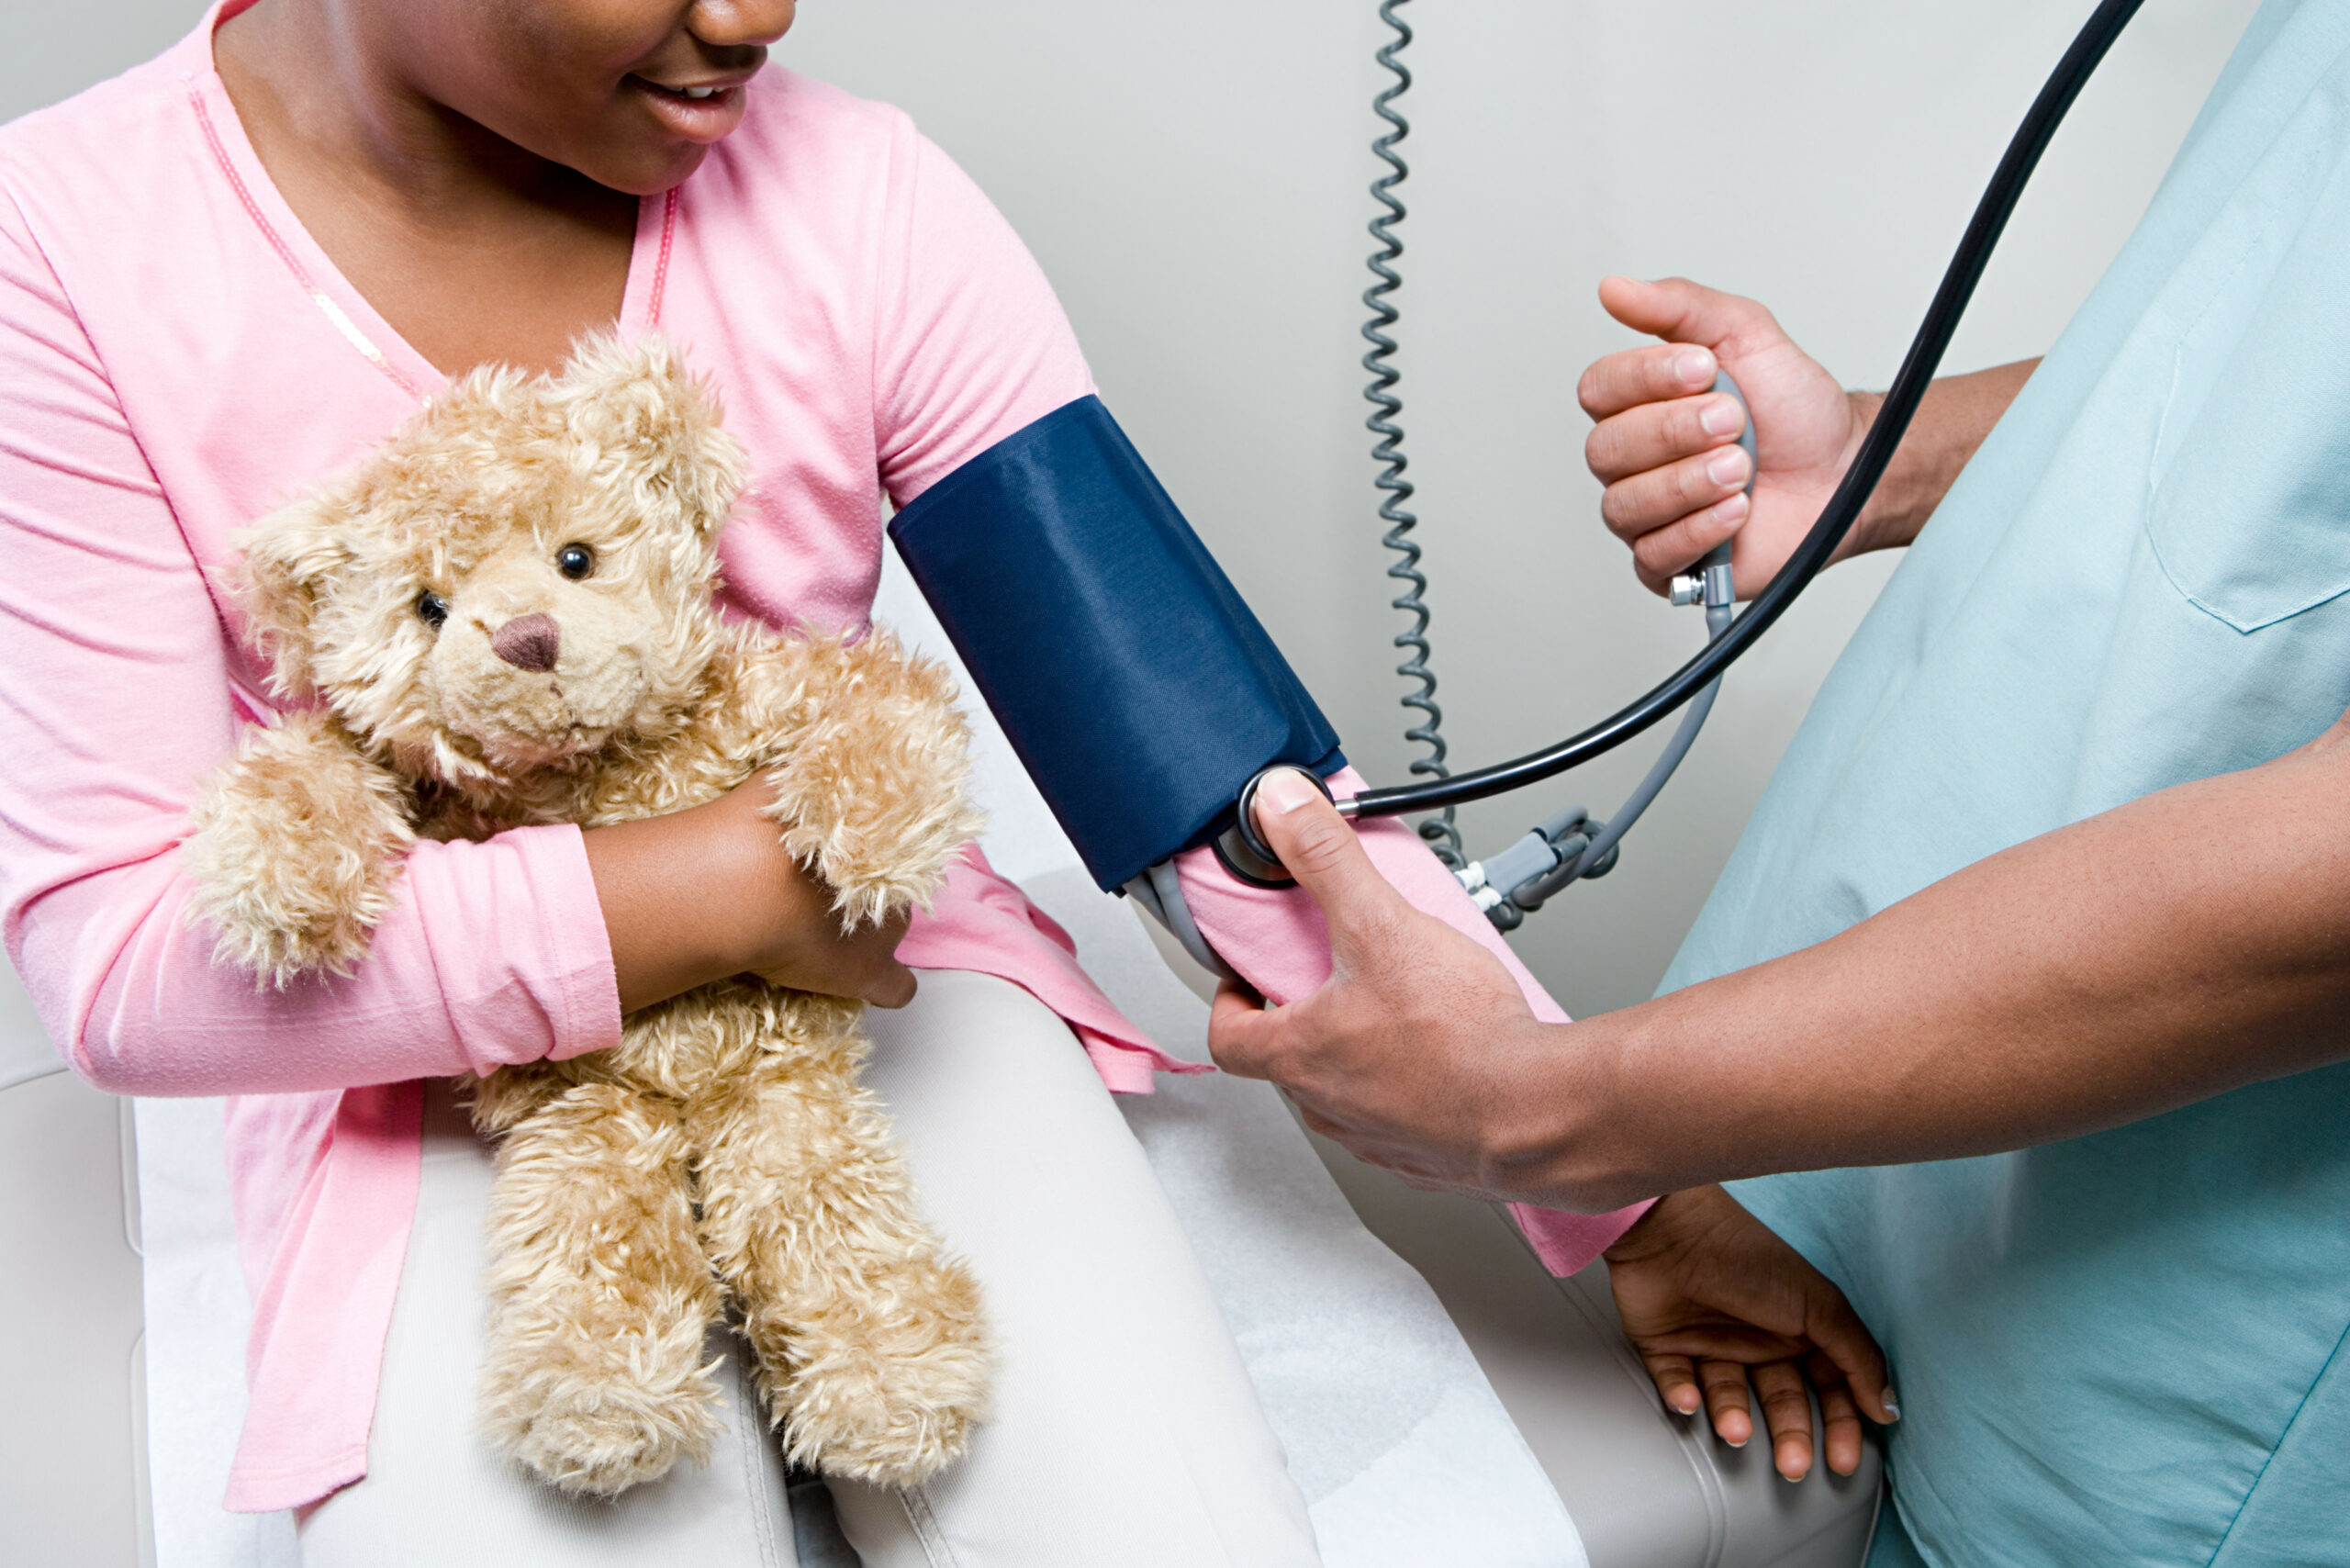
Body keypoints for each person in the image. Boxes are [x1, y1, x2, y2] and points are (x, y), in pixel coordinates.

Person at [0, 0, 1896, 1562]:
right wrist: (741, 879)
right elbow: (129, 959)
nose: (751, 17)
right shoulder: (68, 247)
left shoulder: (859, 202)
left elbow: (1211, 782)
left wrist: (1610, 1188)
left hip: (873, 1010)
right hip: (427, 1066)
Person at [1210, 3, 2350, 1564]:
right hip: (1820, 1086)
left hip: (2143, 1348)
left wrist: (1559, 1117)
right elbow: (2279, 360)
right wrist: (1880, 458)